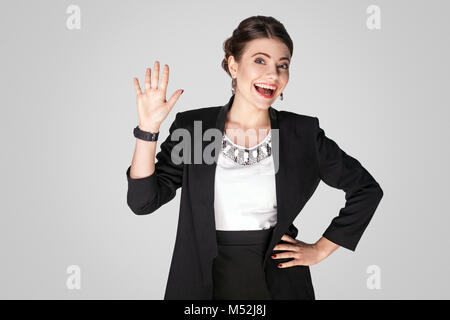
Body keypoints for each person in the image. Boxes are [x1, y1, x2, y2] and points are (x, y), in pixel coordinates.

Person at [126, 15, 384, 300]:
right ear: (233, 65)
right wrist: (147, 131)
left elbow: (366, 189)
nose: (273, 74)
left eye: (282, 65)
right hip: (203, 279)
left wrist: (321, 249)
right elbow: (143, 202)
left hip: (278, 281)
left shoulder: (300, 133)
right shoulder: (197, 130)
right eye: (260, 61)